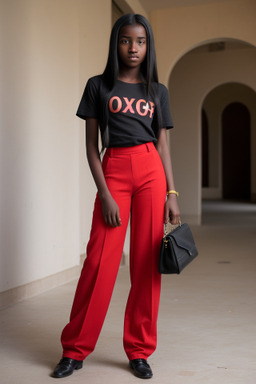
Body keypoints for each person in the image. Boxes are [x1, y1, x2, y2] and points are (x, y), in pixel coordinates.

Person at [52, 13, 180, 380]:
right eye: (126, 40)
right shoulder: (98, 86)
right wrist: (104, 193)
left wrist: (171, 192)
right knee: (99, 263)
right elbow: (92, 147)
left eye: (140, 41)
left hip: (151, 170)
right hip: (115, 169)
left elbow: (163, 145)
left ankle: (139, 351)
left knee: (146, 264)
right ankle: (74, 350)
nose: (134, 48)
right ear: (116, 43)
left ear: (148, 46)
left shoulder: (157, 91)